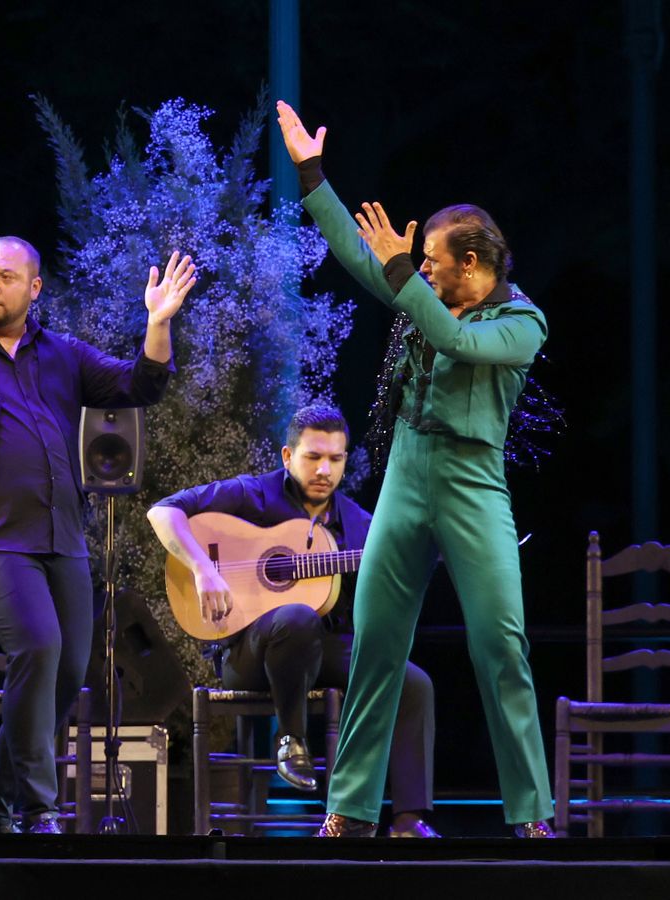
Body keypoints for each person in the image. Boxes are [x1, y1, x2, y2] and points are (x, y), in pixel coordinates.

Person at [274, 101, 555, 838]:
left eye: (433, 259)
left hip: (471, 481)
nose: (422, 268)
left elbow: (459, 344)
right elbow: (356, 252)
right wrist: (312, 175)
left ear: (473, 264)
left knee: (500, 644)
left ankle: (531, 813)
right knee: (375, 642)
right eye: (419, 260)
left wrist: (404, 275)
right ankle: (349, 809)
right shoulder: (421, 290)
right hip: (406, 470)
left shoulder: (521, 322)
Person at [0, 236, 195, 834]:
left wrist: (158, 323)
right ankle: (38, 808)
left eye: (6, 277)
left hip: (60, 535)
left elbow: (142, 385)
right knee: (37, 646)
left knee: (69, 669)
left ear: (34, 288)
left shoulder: (61, 354)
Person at [147, 404, 438, 838]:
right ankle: (290, 739)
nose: (324, 470)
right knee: (297, 617)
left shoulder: (359, 525)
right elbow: (163, 512)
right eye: (313, 457)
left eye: (335, 459)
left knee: (413, 682)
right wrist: (203, 569)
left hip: (322, 650)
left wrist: (414, 564)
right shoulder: (253, 495)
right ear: (288, 456)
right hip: (249, 654)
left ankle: (408, 820)